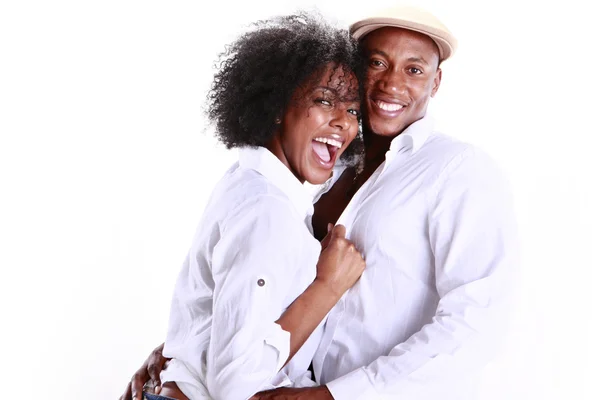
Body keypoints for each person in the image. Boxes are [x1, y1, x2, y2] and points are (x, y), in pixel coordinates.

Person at [122, 6, 519, 400]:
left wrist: (335, 395)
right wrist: (185, 352)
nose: (391, 83)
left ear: (436, 82)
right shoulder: (318, 167)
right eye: (377, 63)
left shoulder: (459, 171)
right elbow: (252, 278)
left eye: (414, 69)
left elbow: (476, 324)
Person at [135, 12, 368, 400]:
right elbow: (234, 384)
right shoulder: (267, 210)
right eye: (324, 100)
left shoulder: (254, 181)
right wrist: (329, 286)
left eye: (354, 111)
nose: (344, 123)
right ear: (277, 106)